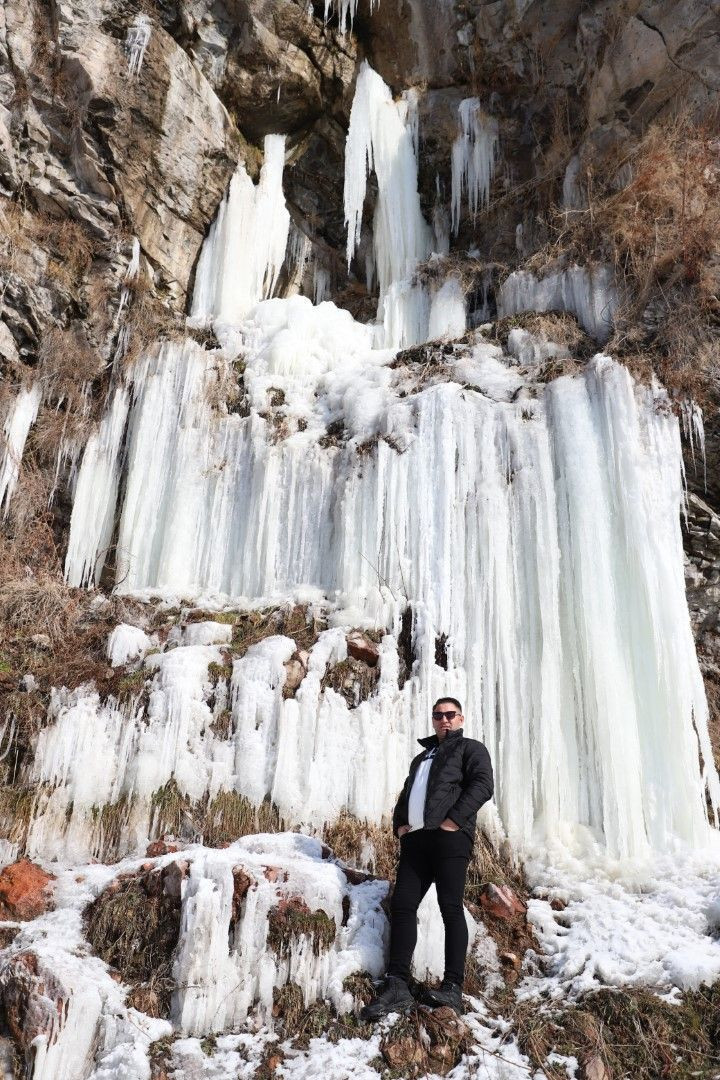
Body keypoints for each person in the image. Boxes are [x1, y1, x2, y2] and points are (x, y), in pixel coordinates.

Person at [361, 697, 494, 1020]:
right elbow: (408, 793)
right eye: (438, 716)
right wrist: (400, 825)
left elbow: (483, 785)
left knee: (450, 906)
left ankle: (453, 986)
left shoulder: (470, 749)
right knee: (403, 905)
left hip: (449, 839)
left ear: (461, 718)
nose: (444, 720)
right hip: (417, 841)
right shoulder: (422, 757)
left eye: (450, 715)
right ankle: (397, 985)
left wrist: (453, 821)